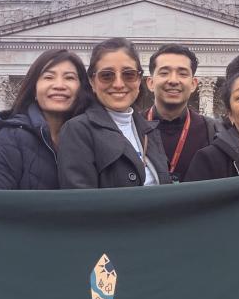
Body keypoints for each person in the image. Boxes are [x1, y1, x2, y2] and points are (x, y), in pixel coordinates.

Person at [57, 38, 172, 188]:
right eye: (106, 75)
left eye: (129, 75)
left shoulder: (149, 131)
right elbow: (80, 203)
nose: (118, 84)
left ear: (139, 80)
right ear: (92, 81)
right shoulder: (77, 130)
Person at [0, 49, 91, 190]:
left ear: (81, 88)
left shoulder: (89, 139)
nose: (59, 85)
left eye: (69, 78)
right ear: (34, 89)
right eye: (49, 77)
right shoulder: (8, 140)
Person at [143, 44, 221, 181]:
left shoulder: (214, 131)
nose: (173, 80)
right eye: (164, 73)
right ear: (150, 83)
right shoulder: (131, 127)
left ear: (193, 84)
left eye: (183, 74)